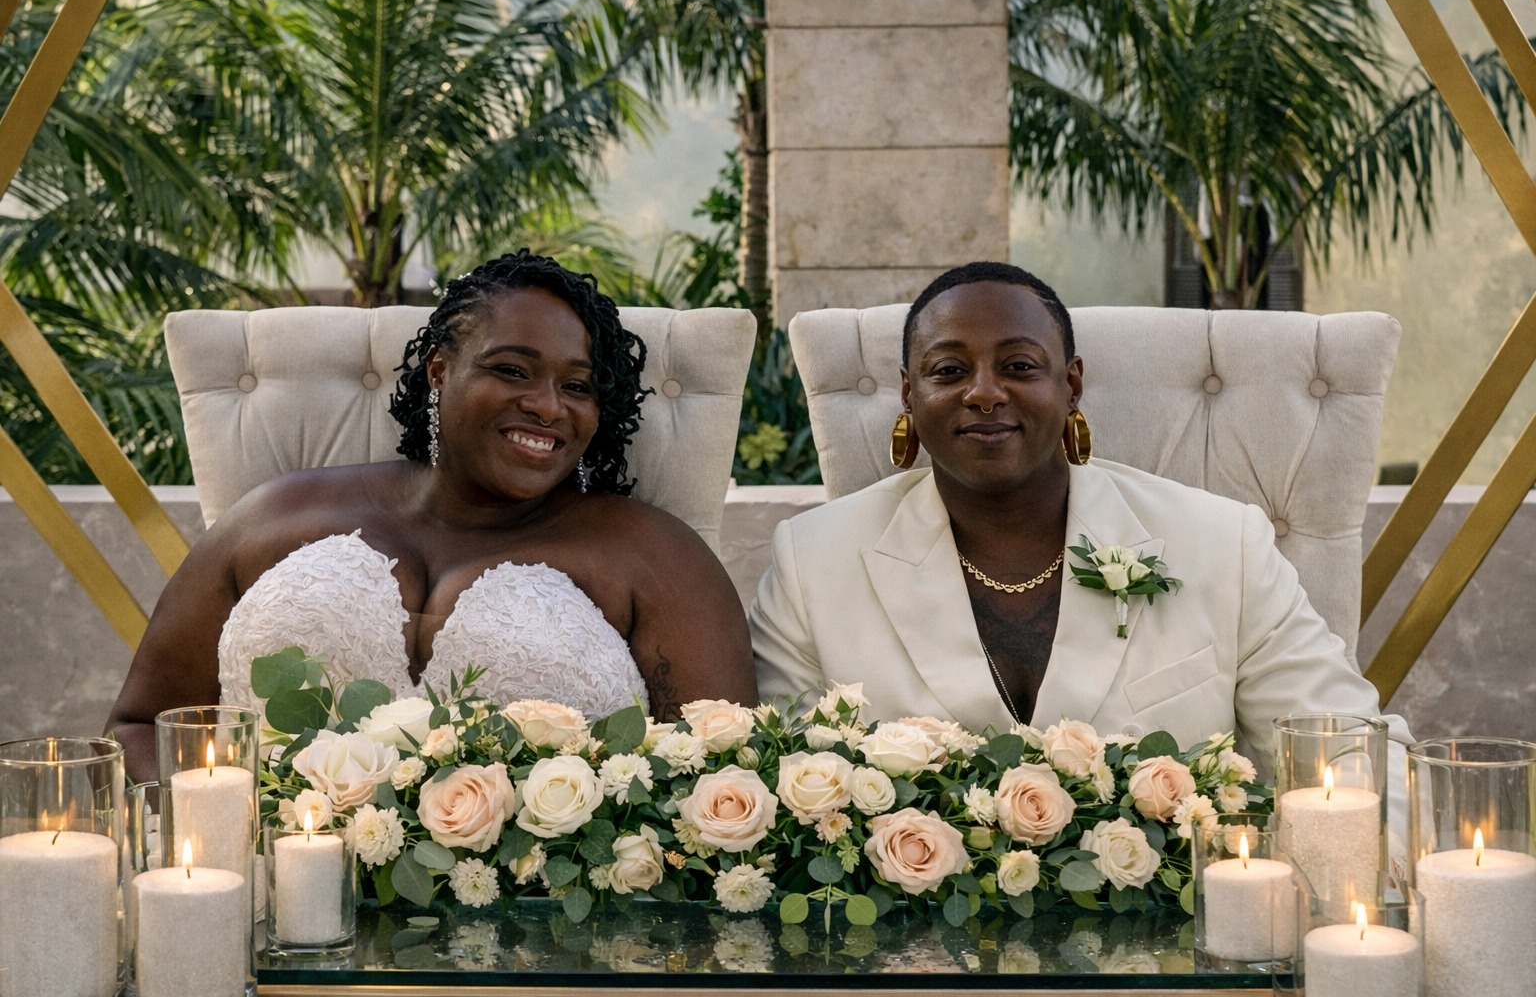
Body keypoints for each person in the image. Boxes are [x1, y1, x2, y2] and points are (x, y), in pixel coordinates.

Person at [107, 251, 755, 783]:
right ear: (440, 372)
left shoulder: (653, 557)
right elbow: (140, 728)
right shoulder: (279, 512)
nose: (548, 406)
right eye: (513, 371)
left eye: (577, 386)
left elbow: (720, 783)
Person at [750, 261, 1410, 780]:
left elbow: (1347, 755)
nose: (983, 392)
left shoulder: (1220, 545)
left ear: (1071, 387)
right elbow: (778, 787)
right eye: (949, 370)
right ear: (908, 396)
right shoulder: (814, 562)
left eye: (1018, 366)